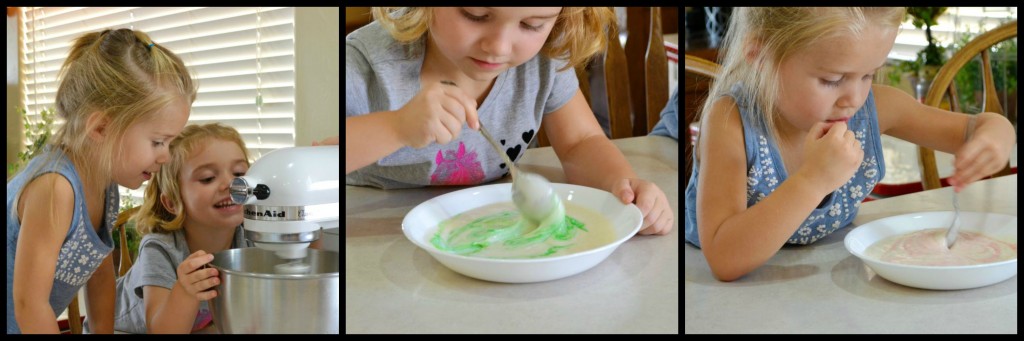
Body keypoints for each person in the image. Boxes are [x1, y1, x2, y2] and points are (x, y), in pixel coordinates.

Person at [686, 7, 1016, 281]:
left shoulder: (875, 107)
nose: (855, 98)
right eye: (832, 80)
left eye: (869, 74)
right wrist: (812, 180)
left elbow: (975, 127)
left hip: (827, 281)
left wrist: (996, 135)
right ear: (760, 55)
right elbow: (724, 259)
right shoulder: (730, 121)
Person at [346, 7, 672, 235]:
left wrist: (623, 186)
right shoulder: (363, 64)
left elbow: (580, 143)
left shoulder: (544, 61)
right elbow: (318, 160)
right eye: (475, 15)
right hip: (373, 230)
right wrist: (396, 127)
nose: (499, 47)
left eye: (531, 24)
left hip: (485, 227)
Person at [6, 28, 195, 334]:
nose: (166, 157)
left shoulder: (105, 186)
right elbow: (30, 304)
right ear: (101, 128)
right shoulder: (56, 188)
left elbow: (99, 276)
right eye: (159, 141)